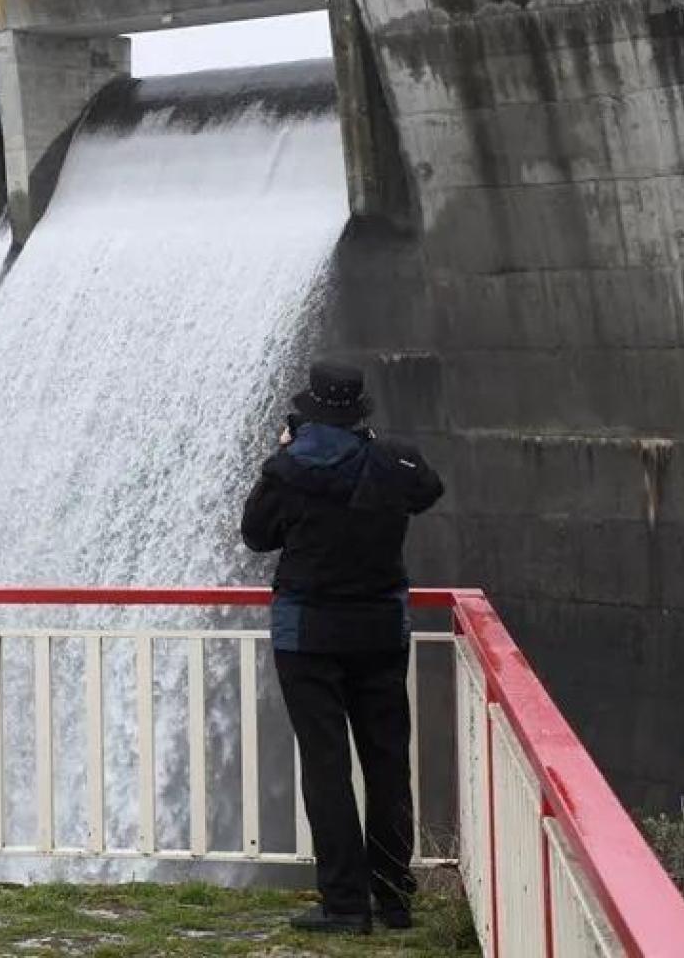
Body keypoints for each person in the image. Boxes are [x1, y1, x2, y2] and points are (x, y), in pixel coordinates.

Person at [241, 360, 444, 935]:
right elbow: (428, 491)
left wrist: (284, 454)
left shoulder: (290, 466)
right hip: (380, 632)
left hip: (307, 636)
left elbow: (256, 534)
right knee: (386, 764)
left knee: (326, 767)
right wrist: (374, 451)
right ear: (357, 411)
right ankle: (394, 898)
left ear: (309, 412)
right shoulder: (391, 461)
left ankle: (345, 903)